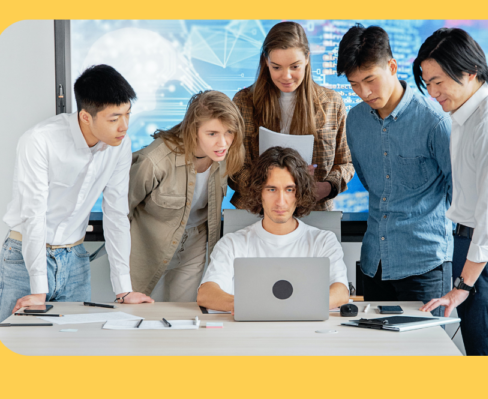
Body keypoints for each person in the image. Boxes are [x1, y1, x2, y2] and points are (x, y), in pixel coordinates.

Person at [0, 64, 153, 326]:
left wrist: (123, 289)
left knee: (76, 348)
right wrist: (38, 290)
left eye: (127, 114)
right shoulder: (39, 141)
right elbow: (33, 215)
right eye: (114, 119)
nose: (124, 126)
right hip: (25, 257)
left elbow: (115, 214)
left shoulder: (119, 145)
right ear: (85, 117)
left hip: (75, 258)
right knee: (17, 343)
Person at [414, 28, 488, 356]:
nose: (433, 92)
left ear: (469, 72)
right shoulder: (466, 116)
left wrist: (463, 286)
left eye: (439, 81)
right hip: (480, 250)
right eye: (427, 83)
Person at [336, 25, 453, 316]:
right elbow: (368, 181)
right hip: (374, 262)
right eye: (353, 84)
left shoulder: (434, 121)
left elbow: (460, 192)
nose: (363, 92)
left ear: (392, 66)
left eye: (369, 80)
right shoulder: (355, 121)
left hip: (425, 264)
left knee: (425, 356)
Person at [197, 147, 349, 312]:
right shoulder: (232, 243)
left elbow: (341, 291)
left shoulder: (324, 241)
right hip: (250, 334)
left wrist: (289, 307)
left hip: (306, 333)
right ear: (258, 192)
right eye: (271, 189)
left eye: (289, 189)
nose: (280, 201)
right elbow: (206, 294)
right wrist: (250, 306)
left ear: (300, 193)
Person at [128, 91, 245, 302]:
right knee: (135, 314)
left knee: (182, 315)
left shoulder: (227, 154)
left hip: (195, 245)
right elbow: (120, 211)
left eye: (229, 132)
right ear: (193, 130)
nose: (223, 142)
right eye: (212, 133)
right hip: (148, 247)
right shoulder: (154, 161)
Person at [229, 21, 354, 211]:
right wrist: (264, 186)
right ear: (265, 62)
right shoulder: (243, 101)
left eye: (294, 67)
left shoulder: (332, 103)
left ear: (307, 59)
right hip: (256, 211)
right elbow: (233, 166)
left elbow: (345, 163)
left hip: (314, 211)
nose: (286, 76)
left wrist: (326, 187)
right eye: (276, 67)